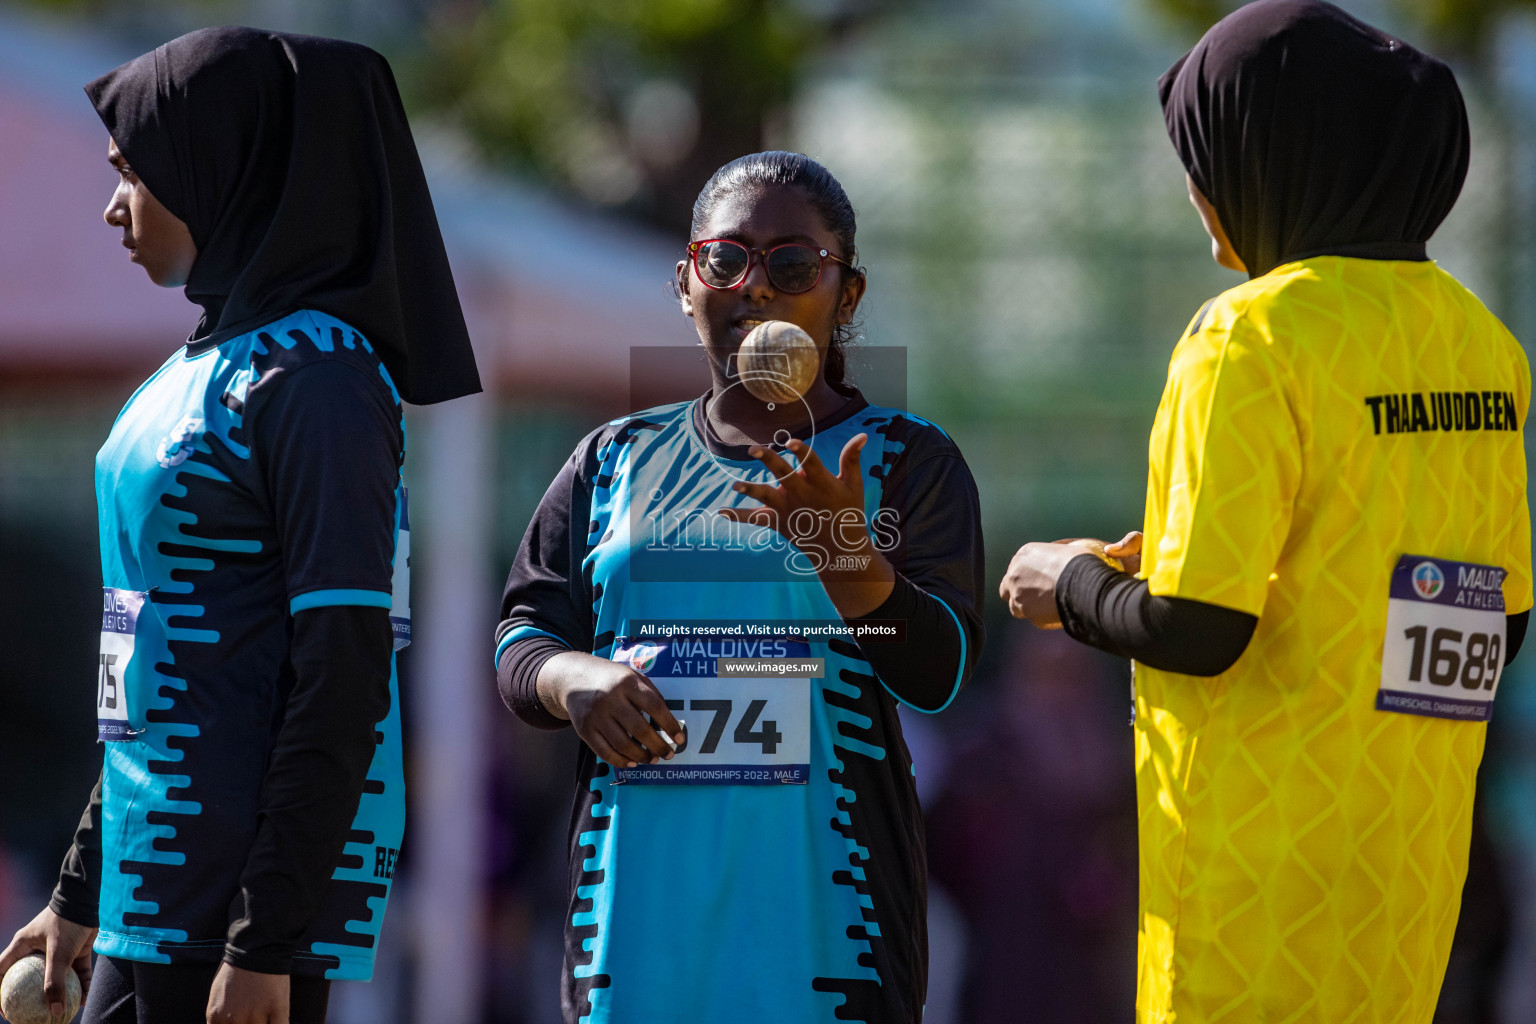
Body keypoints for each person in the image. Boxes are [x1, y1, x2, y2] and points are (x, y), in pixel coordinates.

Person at [996, 1, 1532, 1021]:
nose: (1206, 220)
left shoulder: (1248, 337)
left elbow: (1198, 630)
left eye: (1207, 169)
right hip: (1405, 878)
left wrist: (1062, 583)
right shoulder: (1481, 346)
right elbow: (1494, 624)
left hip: (1254, 887)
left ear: (1275, 153)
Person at [0, 27, 479, 1024]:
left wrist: (270, 940)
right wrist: (81, 895)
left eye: (136, 170)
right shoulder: (190, 372)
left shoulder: (319, 379)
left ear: (223, 165)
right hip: (149, 904)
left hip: (234, 924)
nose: (112, 204)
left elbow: (346, 668)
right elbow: (143, 681)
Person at [494, 151, 984, 1023]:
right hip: (632, 933)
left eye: (794, 265)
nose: (756, 287)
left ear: (847, 296)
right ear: (686, 282)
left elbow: (939, 672)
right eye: (727, 259)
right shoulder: (611, 460)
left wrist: (848, 561)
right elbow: (522, 637)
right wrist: (577, 681)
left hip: (824, 940)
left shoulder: (908, 460)